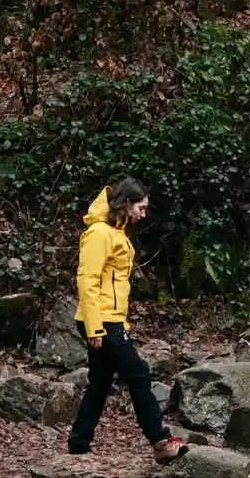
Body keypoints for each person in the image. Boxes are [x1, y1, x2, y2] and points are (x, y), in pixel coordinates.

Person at [66, 178, 186, 463]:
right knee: (139, 373)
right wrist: (97, 327)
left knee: (100, 383)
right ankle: (160, 440)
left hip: (109, 320)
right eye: (141, 208)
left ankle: (78, 444)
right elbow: (87, 280)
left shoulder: (116, 233)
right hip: (101, 321)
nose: (143, 215)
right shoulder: (100, 233)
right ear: (126, 203)